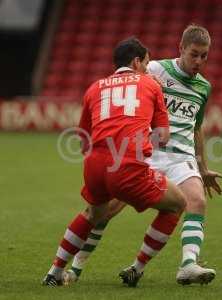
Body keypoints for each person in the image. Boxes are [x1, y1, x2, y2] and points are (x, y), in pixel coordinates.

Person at [63, 24, 222, 286]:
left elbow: (196, 128)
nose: (199, 61)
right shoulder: (156, 69)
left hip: (180, 157)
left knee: (196, 200)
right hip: (144, 153)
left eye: (204, 56)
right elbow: (123, 87)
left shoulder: (204, 87)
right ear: (181, 48)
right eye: (194, 54)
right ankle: (75, 269)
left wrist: (203, 167)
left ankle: (185, 265)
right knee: (104, 210)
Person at [42, 37, 187, 286]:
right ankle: (137, 268)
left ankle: (55, 272)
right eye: (146, 62)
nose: (147, 68)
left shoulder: (94, 88)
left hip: (96, 164)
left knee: (92, 213)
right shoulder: (150, 85)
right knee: (177, 203)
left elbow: (83, 140)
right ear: (136, 61)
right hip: (129, 162)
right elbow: (162, 137)